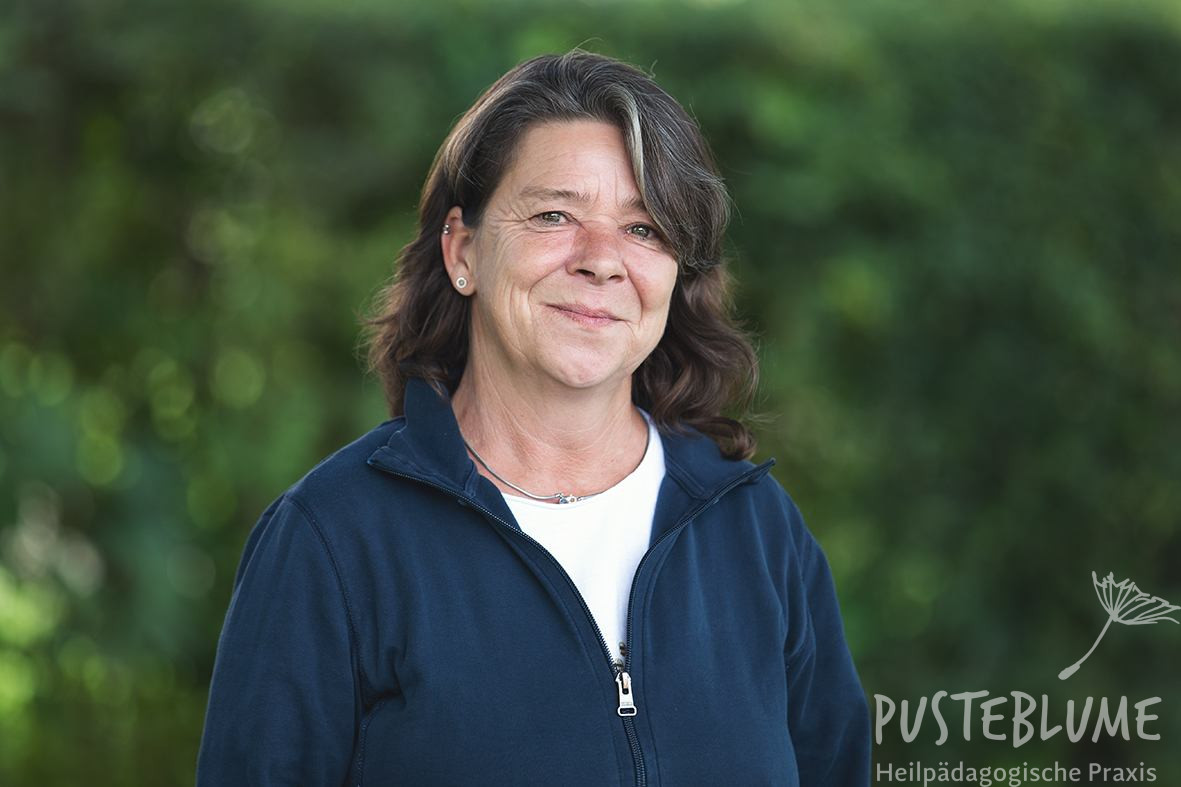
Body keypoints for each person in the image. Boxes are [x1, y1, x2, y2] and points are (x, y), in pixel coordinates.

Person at [196, 49, 870, 786]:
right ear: (463, 250)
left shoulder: (757, 532)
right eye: (554, 215)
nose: (602, 260)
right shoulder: (332, 539)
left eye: (644, 229)